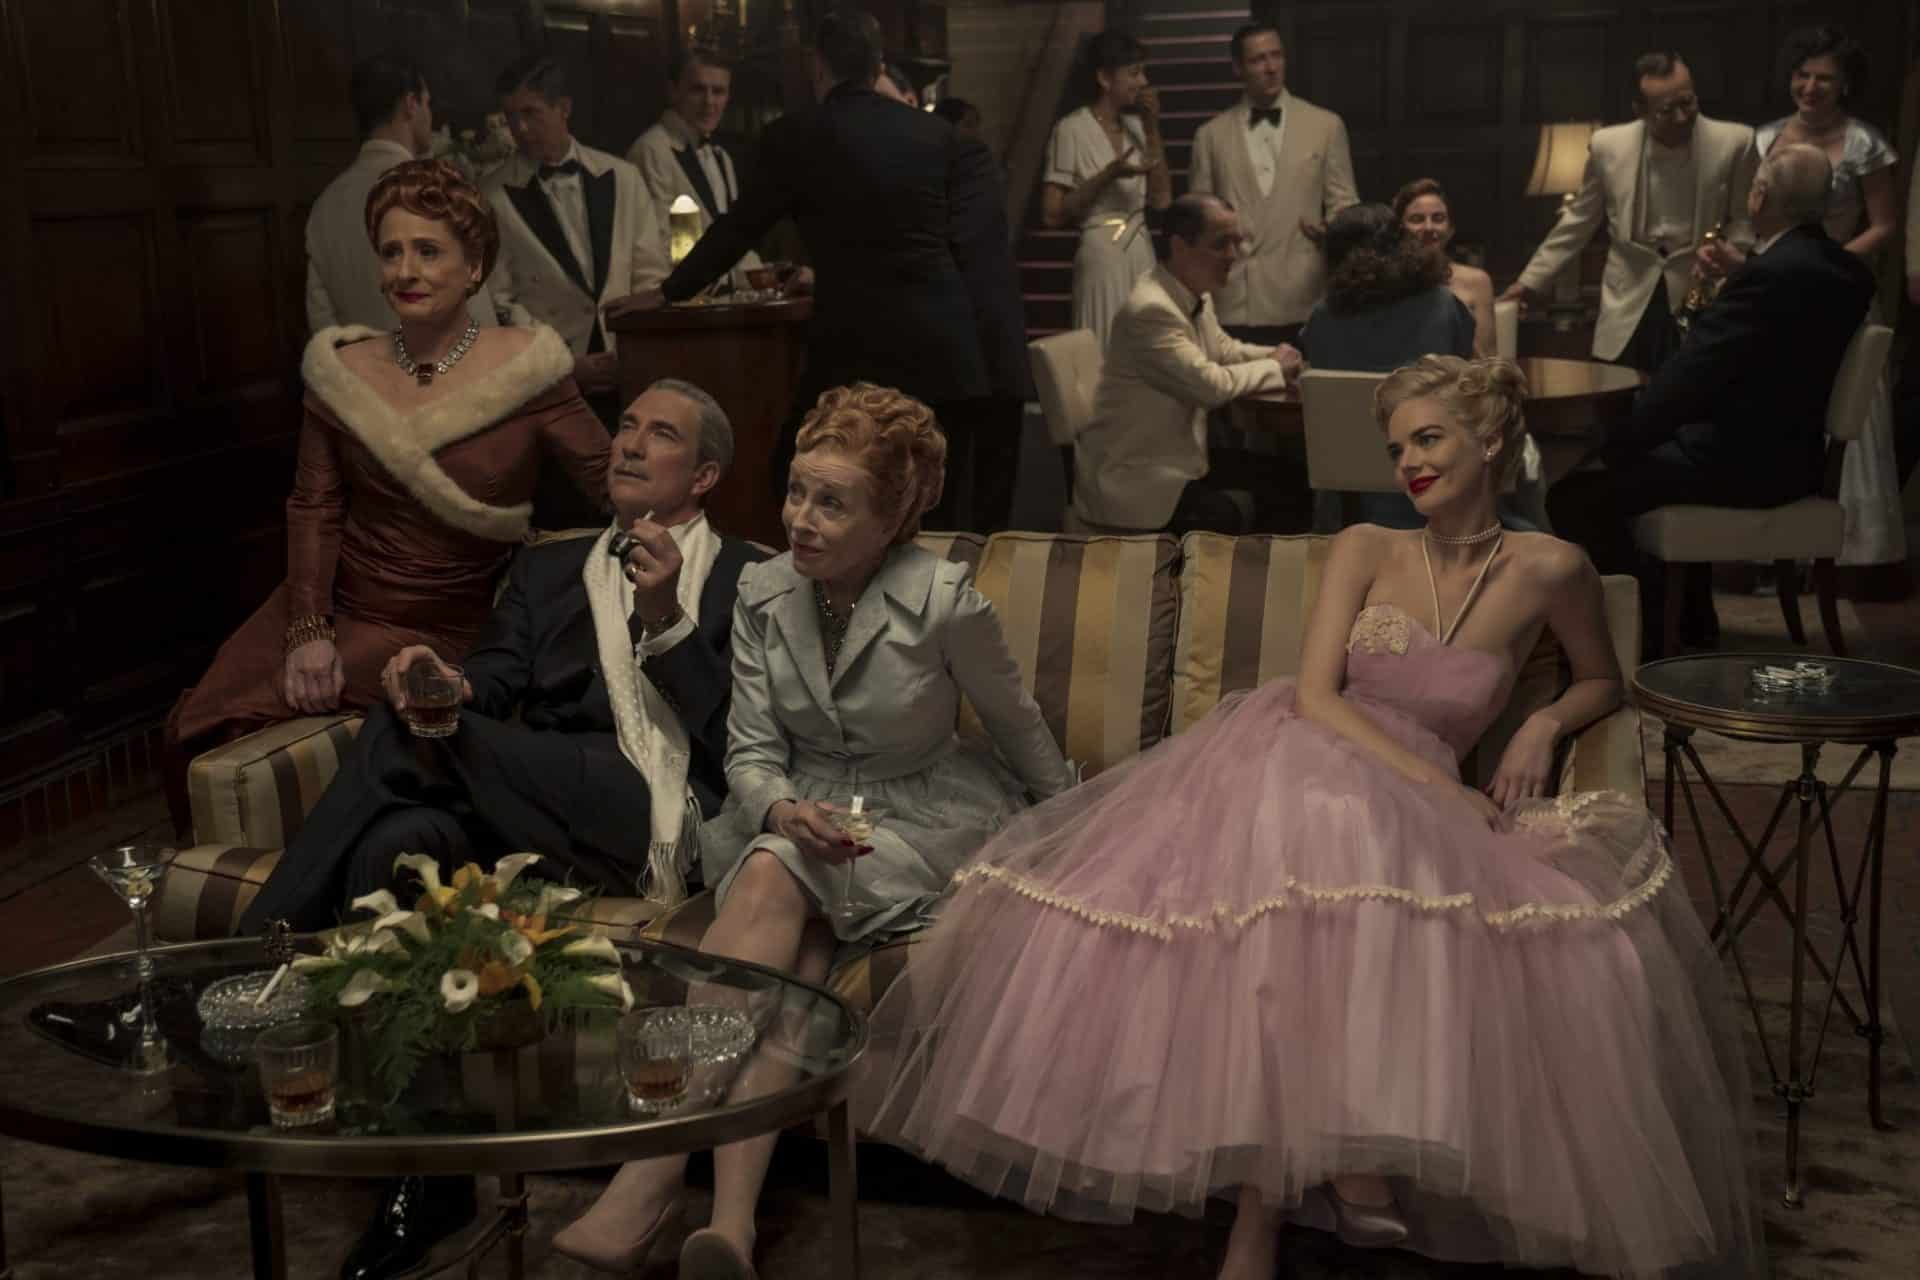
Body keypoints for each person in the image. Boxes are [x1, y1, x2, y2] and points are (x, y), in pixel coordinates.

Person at [861, 354, 1763, 1280]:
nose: (1409, 464)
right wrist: (1436, 787)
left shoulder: (1553, 568)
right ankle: (1321, 1187)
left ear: (1491, 440)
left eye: (1428, 439)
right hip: (1303, 750)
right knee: (1325, 851)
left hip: (1412, 798)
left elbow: (1603, 678)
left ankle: (1276, 1214)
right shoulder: (1367, 545)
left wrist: (1542, 724)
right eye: (1397, 448)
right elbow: (1320, 695)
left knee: (1381, 892)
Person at [237, 378, 763, 1280]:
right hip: (529, 799)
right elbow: (491, 681)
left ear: (705, 475)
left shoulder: (749, 576)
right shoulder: (551, 569)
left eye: (661, 434)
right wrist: (440, 683)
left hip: (647, 805)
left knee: (400, 737)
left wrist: (668, 619)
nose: (631, 443)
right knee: (397, 847)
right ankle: (424, 1174)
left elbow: (732, 739)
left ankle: (252, 961)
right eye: (625, 426)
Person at [550, 383, 1075, 1278]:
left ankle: (654, 1163)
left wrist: (1074, 830)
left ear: (892, 519)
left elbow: (1019, 728)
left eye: (833, 502)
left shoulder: (946, 602)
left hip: (918, 817)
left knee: (772, 874)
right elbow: (752, 750)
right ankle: (731, 1227)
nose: (801, 518)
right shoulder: (763, 590)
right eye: (796, 491)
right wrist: (781, 809)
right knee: (792, 962)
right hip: (802, 814)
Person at [162, 160, 610, 838]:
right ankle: (235, 893)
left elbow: (612, 480)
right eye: (391, 251)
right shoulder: (342, 369)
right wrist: (308, 632)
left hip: (436, 625)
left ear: (474, 267)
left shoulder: (529, 367)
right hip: (329, 604)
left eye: (428, 251)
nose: (406, 270)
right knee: (191, 725)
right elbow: (314, 506)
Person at [647, 10, 996, 513]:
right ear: (877, 65)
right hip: (948, 350)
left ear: (817, 66)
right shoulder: (936, 135)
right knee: (933, 508)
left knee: (795, 480)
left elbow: (738, 229)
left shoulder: (795, 135)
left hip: (856, 350)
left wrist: (669, 291)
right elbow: (963, 245)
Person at [1546, 144, 1874, 654]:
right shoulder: (1849, 274)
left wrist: (1621, 442)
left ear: (1760, 196)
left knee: (1573, 496)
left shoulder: (1766, 277)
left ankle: (1650, 630)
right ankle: (1694, 621)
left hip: (1737, 463)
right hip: (1797, 461)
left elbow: (1691, 379)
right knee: (1635, 469)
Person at [1736, 25, 1902, 571]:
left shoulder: (1865, 144)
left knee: (1847, 408)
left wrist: (1826, 266)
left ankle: (1848, 552)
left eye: (1824, 79)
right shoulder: (1763, 139)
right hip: (1775, 291)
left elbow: (1884, 225)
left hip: (1839, 290)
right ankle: (1768, 548)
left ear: (1845, 84)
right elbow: (1750, 215)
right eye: (1802, 76)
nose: (1810, 88)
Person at [1502, 51, 1756, 373]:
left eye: (1688, 102)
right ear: (1640, 110)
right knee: (1618, 395)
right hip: (1628, 299)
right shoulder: (1608, 146)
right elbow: (1578, 221)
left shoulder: (1736, 142)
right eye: (1667, 110)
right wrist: (1529, 282)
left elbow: (1744, 220)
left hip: (1699, 295)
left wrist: (1727, 259)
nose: (1681, 117)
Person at [1072, 194, 1302, 535]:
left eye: (1236, 242)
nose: (1233, 255)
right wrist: (1275, 368)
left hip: (1177, 461)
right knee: (1264, 500)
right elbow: (1210, 386)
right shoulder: (1151, 310)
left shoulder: (1193, 292)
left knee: (1289, 479)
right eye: (1221, 244)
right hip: (1136, 478)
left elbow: (1225, 350)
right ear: (1180, 246)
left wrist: (1283, 357)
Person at [483, 55, 669, 429]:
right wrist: (565, 364)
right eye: (511, 117)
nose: (520, 129)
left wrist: (636, 350)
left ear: (564, 108)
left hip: (626, 365)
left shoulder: (623, 177)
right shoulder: (491, 195)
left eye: (531, 113)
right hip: (549, 378)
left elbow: (650, 274)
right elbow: (498, 299)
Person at [1300, 203, 1476, 532]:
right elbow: (1468, 383)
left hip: (1347, 507)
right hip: (1435, 489)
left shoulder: (1322, 318)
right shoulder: (1444, 305)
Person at [1188, 23, 1358, 345]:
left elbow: (1345, 203)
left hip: (1303, 293)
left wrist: (1330, 229)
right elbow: (1198, 220)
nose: (1271, 68)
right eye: (1258, 60)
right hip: (1236, 297)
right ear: (1238, 68)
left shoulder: (1325, 125)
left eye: (1276, 56)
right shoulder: (1210, 136)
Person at [305, 54, 499, 334]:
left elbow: (322, 322)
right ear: (411, 104)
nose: (430, 116)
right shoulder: (435, 190)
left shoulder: (325, 205)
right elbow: (473, 307)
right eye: (427, 103)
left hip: (363, 360)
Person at [1038, 29, 1171, 347]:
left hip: (1141, 250)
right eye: (1134, 73)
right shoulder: (1071, 129)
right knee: (1104, 343)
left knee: (1146, 347)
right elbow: (1052, 214)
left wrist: (1152, 128)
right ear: (1105, 78)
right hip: (1101, 253)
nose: (1143, 82)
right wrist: (1108, 175)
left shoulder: (1138, 128)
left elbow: (1162, 200)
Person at [626, 47, 760, 274]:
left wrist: (768, 273)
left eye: (718, 91)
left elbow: (732, 238)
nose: (709, 102)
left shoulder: (720, 157)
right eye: (698, 90)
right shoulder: (652, 150)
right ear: (673, 91)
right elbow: (660, 244)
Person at [1393, 178, 1495, 356]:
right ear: (1400, 229)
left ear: (1450, 229)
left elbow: (1488, 358)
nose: (1428, 227)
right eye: (1417, 219)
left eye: (1438, 218)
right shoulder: (1390, 279)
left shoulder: (1477, 281)